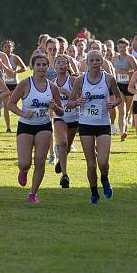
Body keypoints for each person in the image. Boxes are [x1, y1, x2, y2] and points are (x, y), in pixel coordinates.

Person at [67, 50, 122, 204]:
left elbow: (119, 98)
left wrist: (113, 104)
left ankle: (104, 179)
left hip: (103, 124)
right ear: (87, 63)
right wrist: (77, 102)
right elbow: (70, 103)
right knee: (91, 164)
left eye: (98, 60)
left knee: (103, 161)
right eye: (92, 60)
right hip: (85, 125)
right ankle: (94, 192)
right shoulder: (80, 80)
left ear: (102, 62)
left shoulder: (109, 79)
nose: (95, 63)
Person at [8, 54, 64, 204]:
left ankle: (33, 193)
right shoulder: (25, 84)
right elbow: (11, 104)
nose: (41, 67)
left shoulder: (52, 87)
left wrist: (55, 107)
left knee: (40, 160)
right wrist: (22, 113)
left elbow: (61, 112)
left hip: (44, 126)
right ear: (33, 67)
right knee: (25, 162)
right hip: (25, 125)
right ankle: (23, 170)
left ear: (48, 67)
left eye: (44, 65)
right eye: (38, 65)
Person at [52, 55, 79, 188]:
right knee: (62, 142)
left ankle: (60, 162)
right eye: (59, 63)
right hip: (59, 117)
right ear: (54, 66)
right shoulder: (52, 83)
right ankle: (65, 175)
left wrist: (67, 93)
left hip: (74, 117)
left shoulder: (73, 80)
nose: (61, 65)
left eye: (64, 63)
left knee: (67, 146)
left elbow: (81, 98)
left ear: (68, 66)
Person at [113, 38, 137, 139]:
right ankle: (122, 132)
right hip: (118, 86)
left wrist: (123, 72)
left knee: (126, 110)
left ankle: (126, 123)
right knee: (121, 109)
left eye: (124, 47)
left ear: (128, 47)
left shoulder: (130, 58)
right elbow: (112, 71)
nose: (122, 49)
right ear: (117, 48)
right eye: (120, 47)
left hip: (129, 86)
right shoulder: (114, 58)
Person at [1, 39, 26, 133]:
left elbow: (24, 68)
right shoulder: (0, 57)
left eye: (9, 47)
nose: (7, 49)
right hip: (4, 84)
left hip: (14, 84)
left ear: (12, 48)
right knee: (6, 106)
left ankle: (23, 121)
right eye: (5, 47)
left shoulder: (15, 58)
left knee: (14, 105)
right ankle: (8, 127)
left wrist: (15, 72)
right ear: (2, 48)